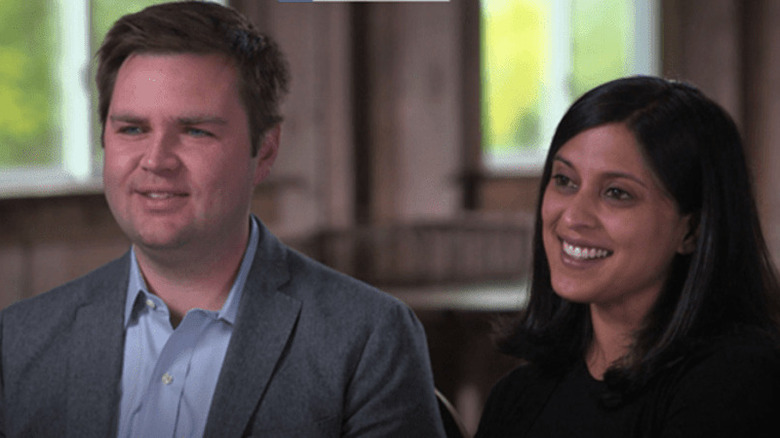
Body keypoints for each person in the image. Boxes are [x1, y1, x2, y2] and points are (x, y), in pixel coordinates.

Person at [0, 2, 445, 437]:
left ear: (265, 149)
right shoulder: (18, 342)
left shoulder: (368, 340)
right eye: (132, 129)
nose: (156, 161)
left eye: (196, 130)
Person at [475, 76, 780, 437]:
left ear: (693, 230)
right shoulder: (518, 396)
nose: (572, 216)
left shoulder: (736, 382)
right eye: (565, 181)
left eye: (617, 193)